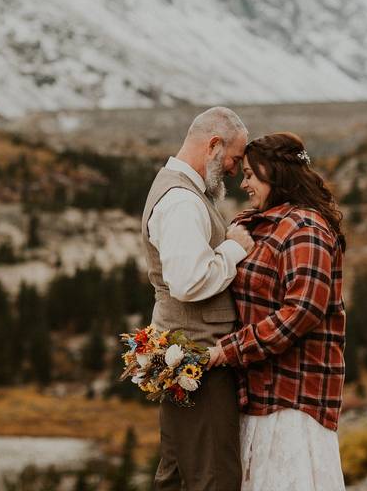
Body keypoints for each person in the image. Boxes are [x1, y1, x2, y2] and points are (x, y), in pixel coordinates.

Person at [208, 131, 348, 491]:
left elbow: (300, 312)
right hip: (259, 394)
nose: (244, 184)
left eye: (251, 175)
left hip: (293, 400)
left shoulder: (306, 229)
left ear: (275, 174)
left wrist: (229, 350)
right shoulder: (267, 222)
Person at [142, 106, 255, 491]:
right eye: (235, 158)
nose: (236, 170)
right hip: (201, 361)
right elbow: (188, 282)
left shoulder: (182, 192)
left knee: (178, 475)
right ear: (213, 145)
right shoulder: (182, 201)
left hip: (187, 355)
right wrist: (234, 249)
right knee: (214, 478)